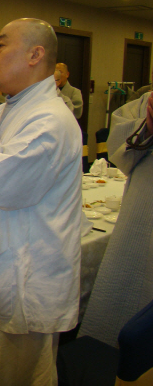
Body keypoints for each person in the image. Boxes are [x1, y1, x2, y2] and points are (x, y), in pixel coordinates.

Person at [0, 19, 83, 386]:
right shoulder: (7, 109)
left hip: (20, 288)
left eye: (1, 45)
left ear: (35, 55)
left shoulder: (51, 120)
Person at [78, 92, 153, 347]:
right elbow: (118, 154)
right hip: (141, 207)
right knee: (129, 281)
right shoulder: (145, 102)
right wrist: (146, 128)